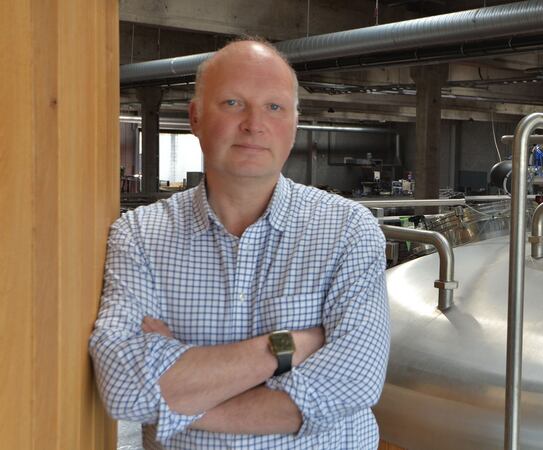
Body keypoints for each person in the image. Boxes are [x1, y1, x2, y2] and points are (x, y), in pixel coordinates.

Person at [89, 38, 390, 449]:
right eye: (232, 103)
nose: (254, 123)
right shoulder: (139, 235)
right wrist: (287, 346)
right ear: (195, 118)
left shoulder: (348, 231)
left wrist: (180, 404)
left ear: (294, 124)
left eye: (274, 107)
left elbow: (352, 381)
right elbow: (123, 387)